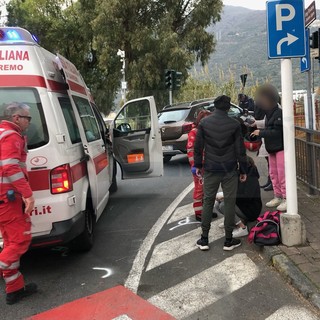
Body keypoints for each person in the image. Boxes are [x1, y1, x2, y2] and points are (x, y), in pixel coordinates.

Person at [194, 95, 248, 251]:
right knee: (230, 202)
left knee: (208, 201)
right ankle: (229, 240)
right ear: (228, 108)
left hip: (210, 168)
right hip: (230, 169)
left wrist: (198, 165)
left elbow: (198, 147)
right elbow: (240, 149)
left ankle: (204, 239)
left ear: (215, 107)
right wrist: (243, 169)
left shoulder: (204, 123)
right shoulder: (234, 124)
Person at [0, 102, 37, 305]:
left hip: (4, 200)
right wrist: (28, 195)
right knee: (19, 241)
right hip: (8, 200)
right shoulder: (10, 136)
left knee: (9, 242)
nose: (29, 122)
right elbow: (11, 168)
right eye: (27, 118)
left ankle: (14, 289)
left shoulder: (4, 134)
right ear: (16, 118)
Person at [251, 84, 286, 212]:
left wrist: (261, 133)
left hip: (280, 147)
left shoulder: (279, 112)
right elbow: (266, 125)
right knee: (273, 173)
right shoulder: (269, 113)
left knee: (282, 174)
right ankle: (278, 196)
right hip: (271, 148)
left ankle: (287, 198)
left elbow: (277, 131)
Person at [215, 156, 262, 238]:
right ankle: (231, 221)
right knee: (217, 204)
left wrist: (227, 197)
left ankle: (242, 228)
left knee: (224, 205)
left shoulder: (251, 177)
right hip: (243, 205)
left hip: (251, 209)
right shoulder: (238, 174)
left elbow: (247, 197)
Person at [187, 110, 212, 221]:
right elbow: (191, 150)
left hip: (208, 165)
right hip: (199, 166)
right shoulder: (194, 132)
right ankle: (199, 213)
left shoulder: (207, 131)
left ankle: (205, 212)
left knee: (207, 189)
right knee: (199, 189)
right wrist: (195, 166)